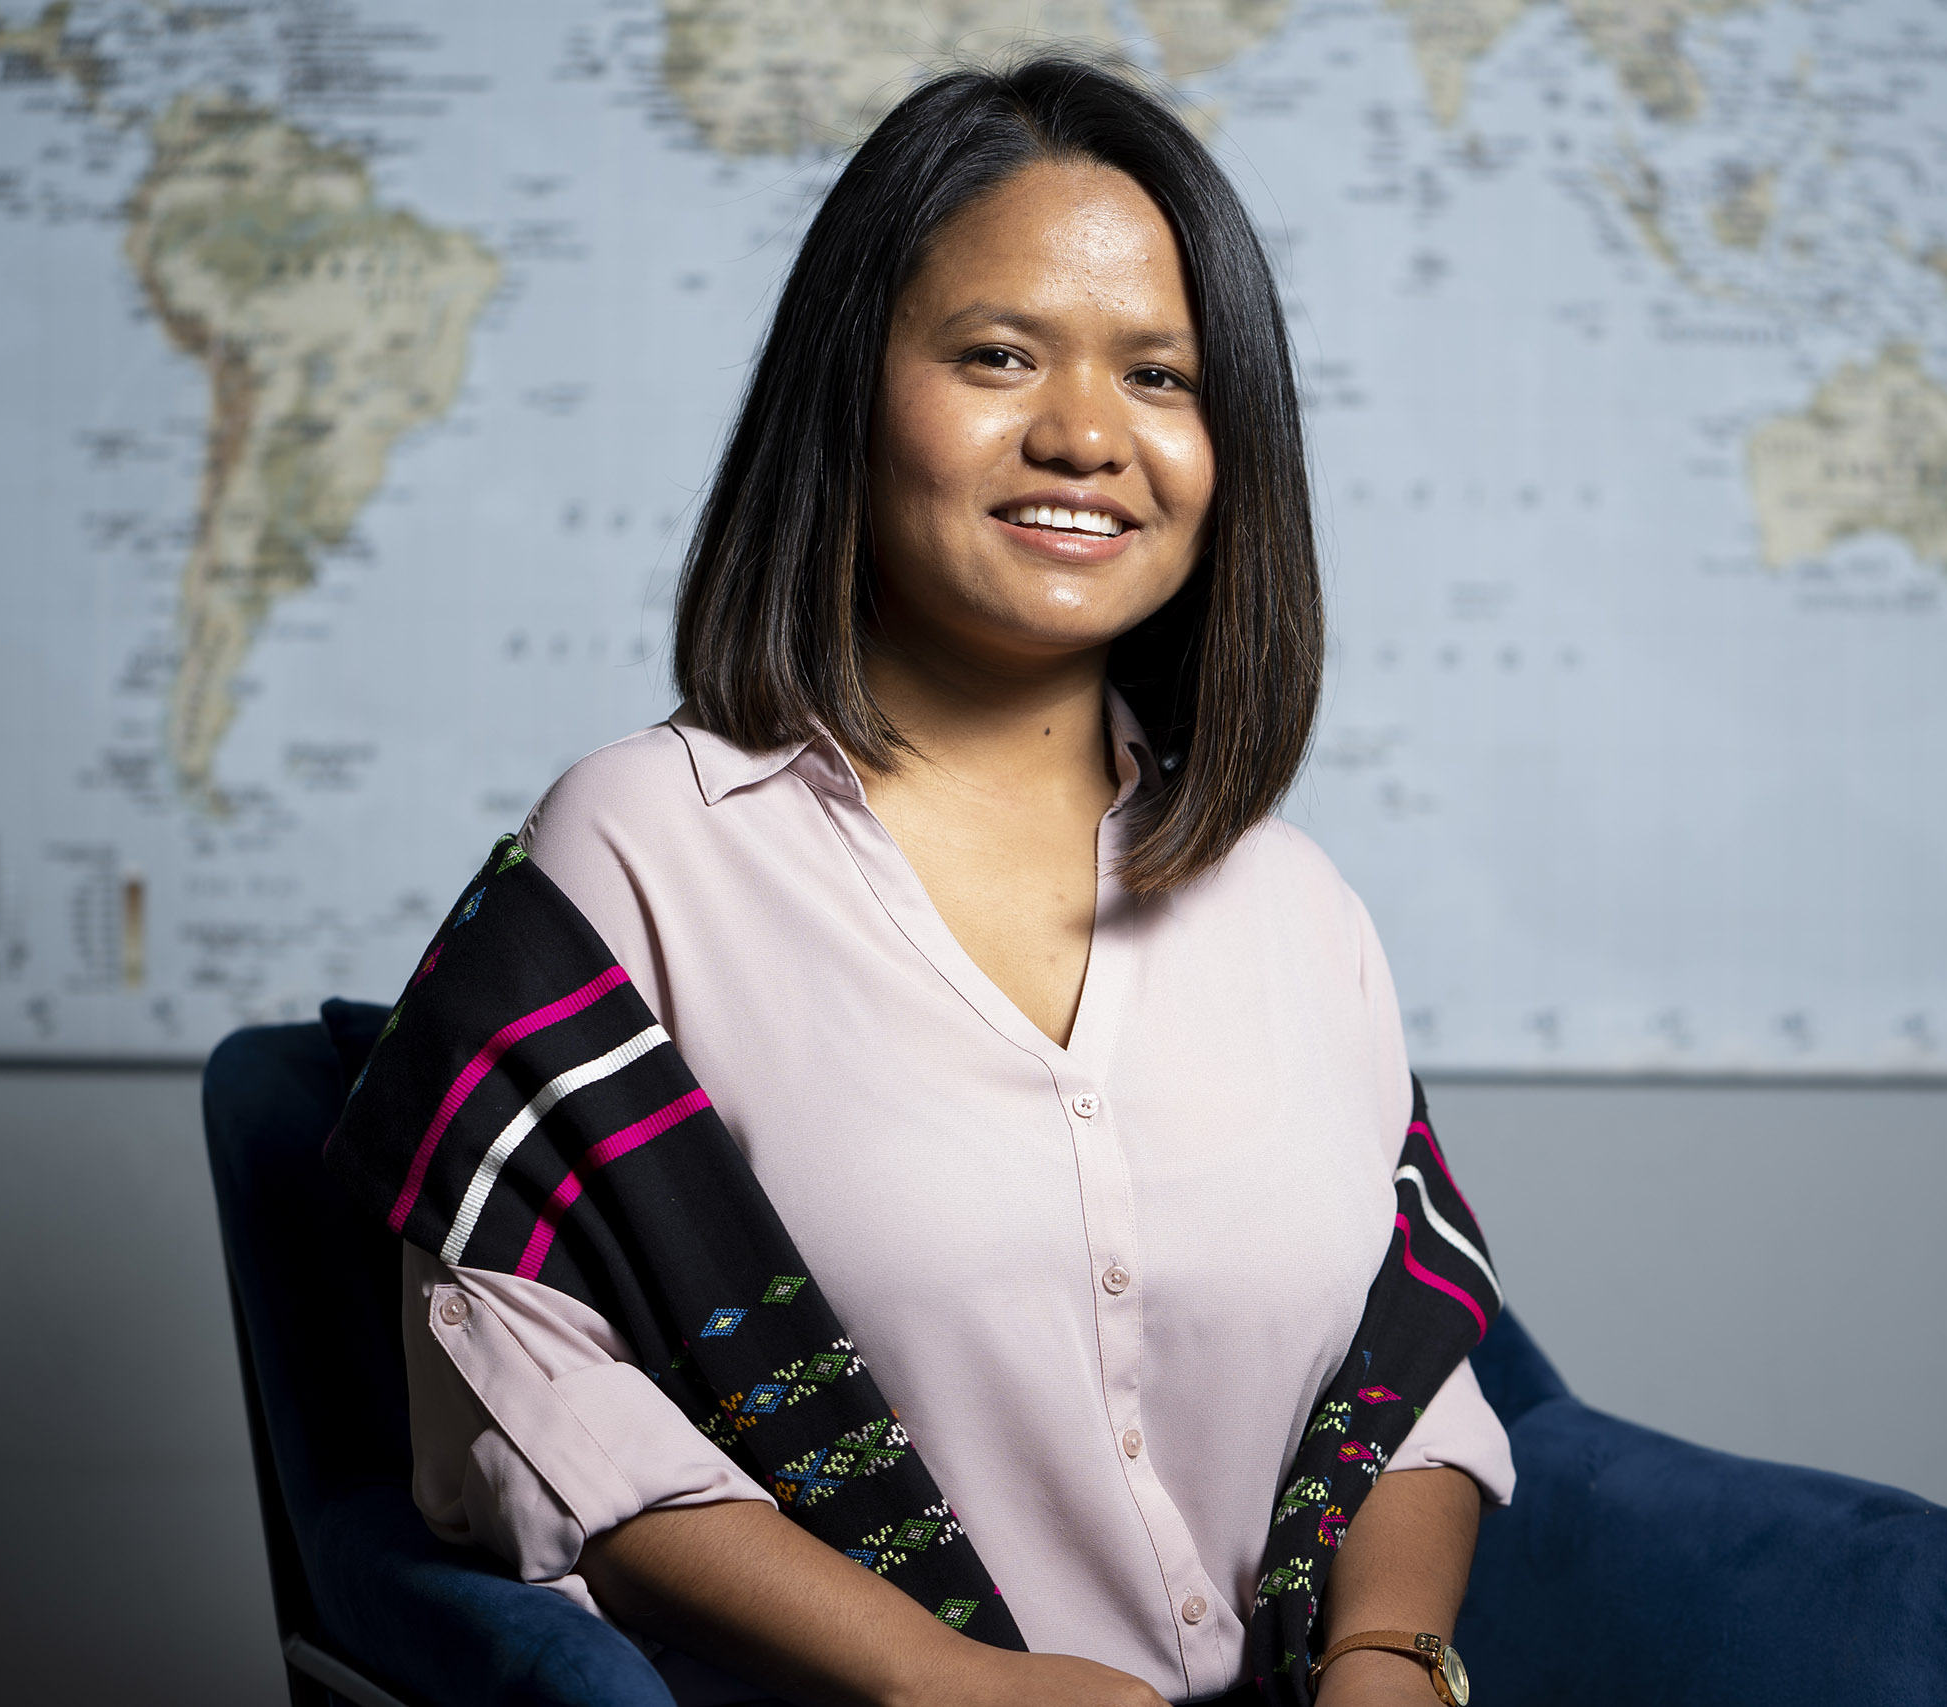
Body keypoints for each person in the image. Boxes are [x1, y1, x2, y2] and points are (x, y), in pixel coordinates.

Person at [396, 56, 1513, 1707]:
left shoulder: (1293, 905)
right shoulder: (635, 852)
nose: (1083, 436)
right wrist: (945, 1685)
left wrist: (1389, 1652)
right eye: (998, 356)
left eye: (1161, 376)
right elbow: (518, 1390)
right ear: (853, 391)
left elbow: (1403, 1369)